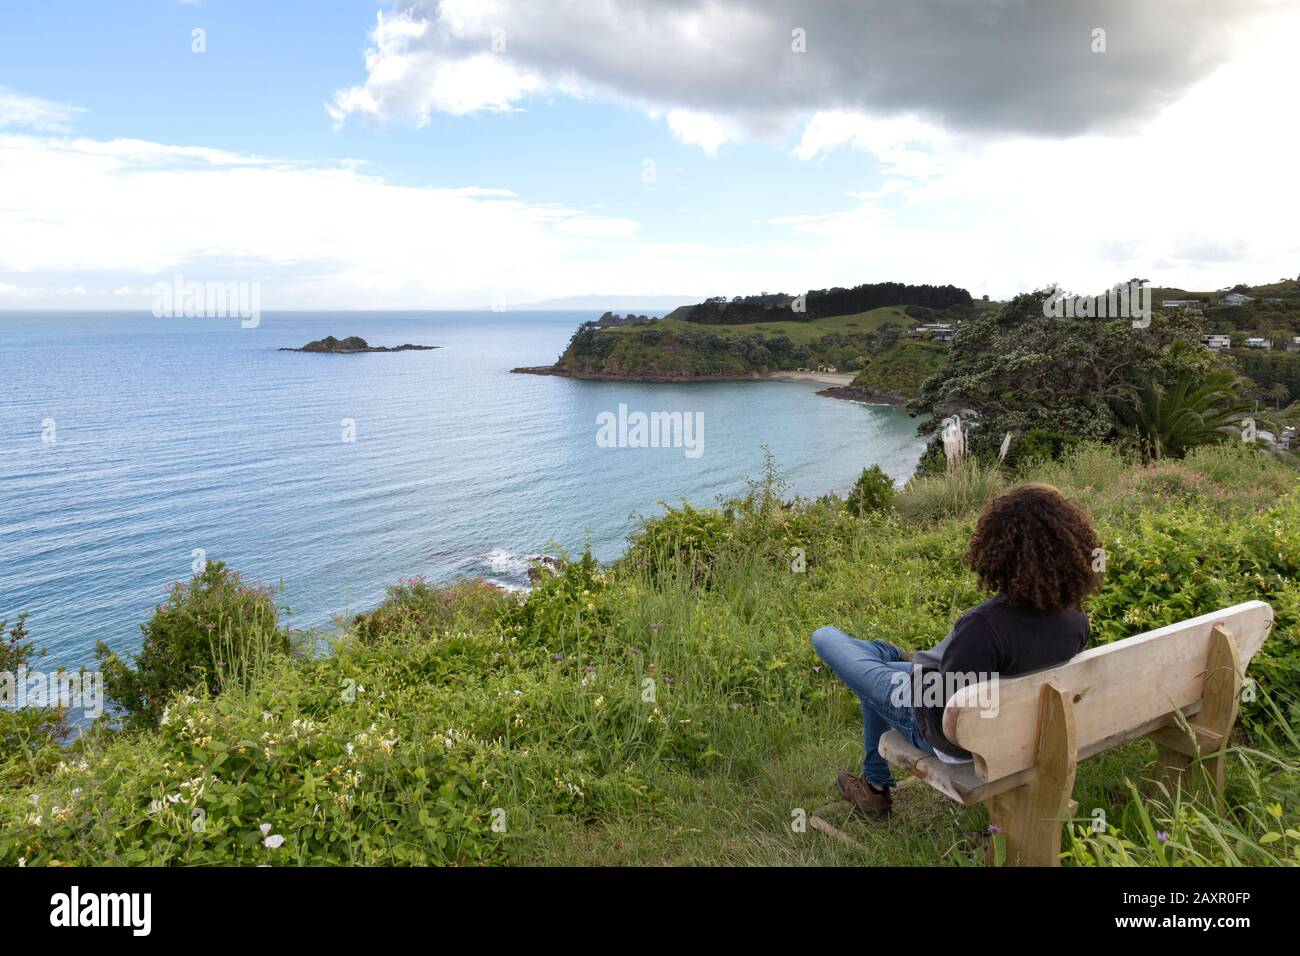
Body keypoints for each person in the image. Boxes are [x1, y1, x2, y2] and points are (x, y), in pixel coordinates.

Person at [811, 483, 1101, 818]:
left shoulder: (984, 627)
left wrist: (914, 682)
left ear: (997, 549)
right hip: (1015, 728)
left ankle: (888, 657)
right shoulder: (1076, 618)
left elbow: (944, 707)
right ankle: (874, 785)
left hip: (949, 735)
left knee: (826, 637)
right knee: (882, 674)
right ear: (1071, 547)